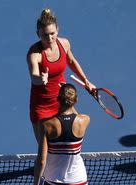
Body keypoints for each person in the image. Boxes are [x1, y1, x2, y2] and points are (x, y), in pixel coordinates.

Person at [27, 8, 95, 143]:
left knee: (75, 137)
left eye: (52, 33)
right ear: (38, 34)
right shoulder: (34, 54)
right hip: (42, 106)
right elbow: (34, 76)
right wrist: (41, 79)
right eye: (45, 35)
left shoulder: (64, 43)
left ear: (57, 29)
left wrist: (86, 81)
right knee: (45, 152)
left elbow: (71, 61)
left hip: (62, 101)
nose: (49, 38)